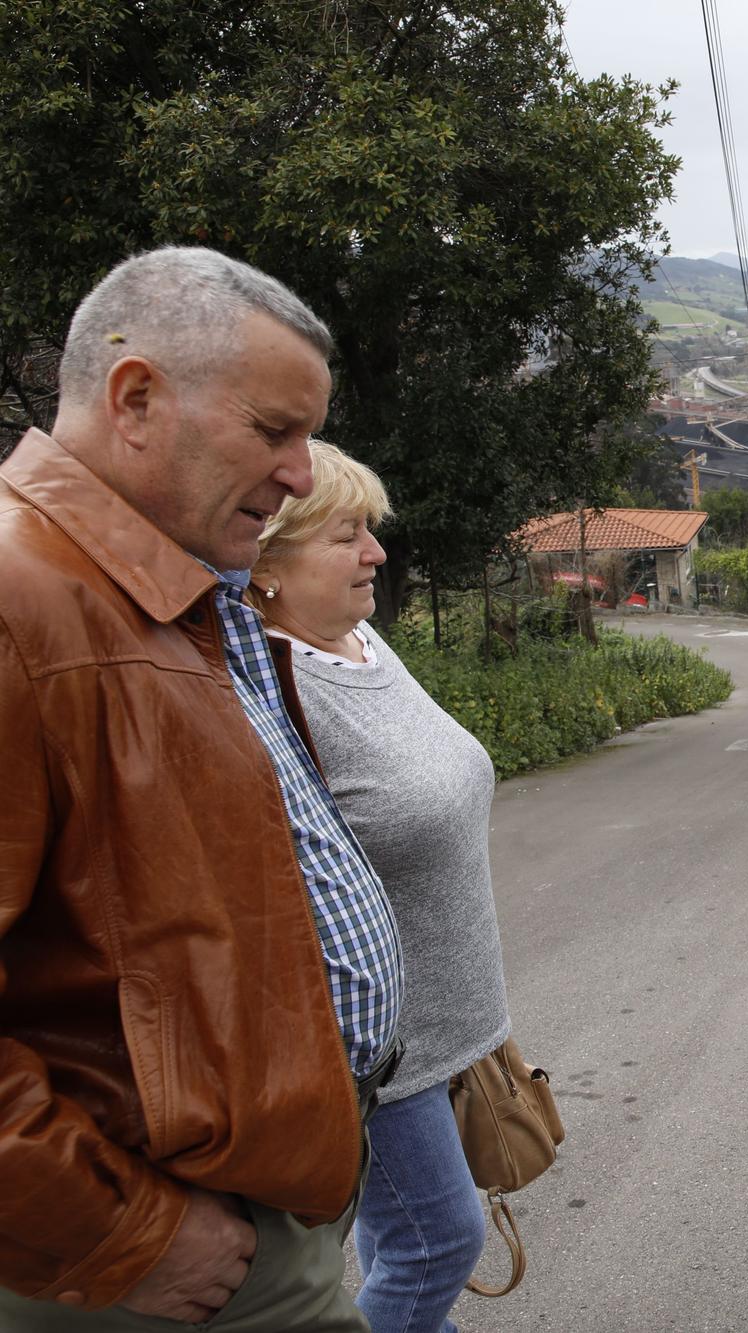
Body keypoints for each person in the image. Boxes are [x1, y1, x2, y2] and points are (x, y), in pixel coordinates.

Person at [0, 247, 401, 1330]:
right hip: (154, 1248)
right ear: (136, 399)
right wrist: (116, 1234)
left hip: (249, 1206)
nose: (304, 476)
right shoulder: (19, 600)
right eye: (274, 431)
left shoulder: (169, 587)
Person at [247, 440, 512, 1332]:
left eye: (371, 530)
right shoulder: (271, 687)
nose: (377, 553)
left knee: (415, 1245)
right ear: (268, 564)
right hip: (377, 1048)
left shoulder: (361, 643)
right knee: (436, 1242)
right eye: (347, 534)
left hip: (449, 1021)